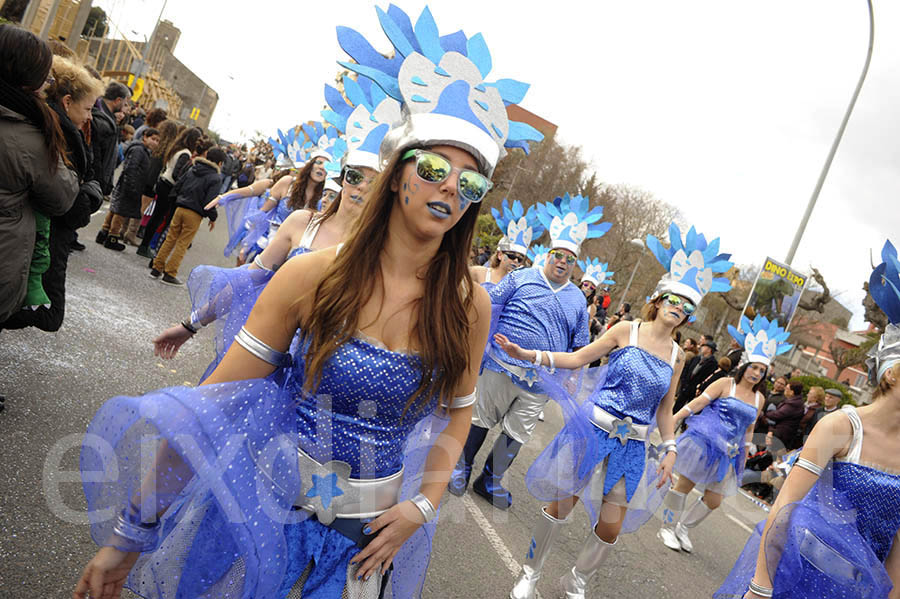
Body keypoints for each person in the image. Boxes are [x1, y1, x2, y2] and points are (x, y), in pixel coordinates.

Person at [72, 6, 543, 597]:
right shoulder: (311, 276)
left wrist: (422, 507)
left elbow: (457, 411)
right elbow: (209, 407)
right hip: (269, 512)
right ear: (398, 174)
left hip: (368, 540)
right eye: (434, 167)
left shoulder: (467, 306)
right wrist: (129, 536)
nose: (451, 186)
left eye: (470, 182)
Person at [503, 222, 732, 599]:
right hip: (594, 430)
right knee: (562, 505)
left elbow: (666, 408)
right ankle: (530, 573)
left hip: (632, 446)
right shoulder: (627, 330)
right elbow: (578, 358)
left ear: (690, 316)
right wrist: (530, 354)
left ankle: (576, 581)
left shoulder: (678, 356)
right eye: (674, 300)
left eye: (687, 306)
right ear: (658, 300)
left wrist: (671, 448)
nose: (679, 308)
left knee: (611, 526)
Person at [715, 239, 900, 599]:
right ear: (891, 374)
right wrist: (760, 585)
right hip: (797, 578)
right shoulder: (842, 427)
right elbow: (785, 505)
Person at [448, 193, 604, 510]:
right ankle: (460, 469)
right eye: (558, 254)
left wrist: (574, 377)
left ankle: (488, 481)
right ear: (548, 254)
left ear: (575, 265)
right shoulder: (521, 277)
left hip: (541, 380)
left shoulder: (577, 300)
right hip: (500, 365)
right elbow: (489, 307)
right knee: (480, 419)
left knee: (517, 433)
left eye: (569, 258)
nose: (562, 261)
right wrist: (477, 346)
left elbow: (580, 345)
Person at [658, 316, 791, 554]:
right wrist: (675, 417)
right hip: (704, 442)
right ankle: (666, 526)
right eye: (754, 367)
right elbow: (699, 402)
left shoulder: (760, 398)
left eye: (762, 370)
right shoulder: (725, 384)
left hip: (728, 451)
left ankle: (683, 527)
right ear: (745, 366)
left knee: (714, 499)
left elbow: (748, 428)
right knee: (684, 486)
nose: (757, 373)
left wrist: (744, 453)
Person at [2, 54, 103, 332]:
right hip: (36, 238)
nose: (90, 117)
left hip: (33, 237)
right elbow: (64, 199)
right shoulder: (51, 130)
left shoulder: (53, 126)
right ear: (67, 102)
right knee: (44, 314)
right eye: (88, 108)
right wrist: (91, 194)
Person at [0, 25, 79, 325]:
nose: (47, 86)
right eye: (45, 78)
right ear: (28, 79)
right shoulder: (29, 138)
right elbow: (62, 197)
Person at [150, 146, 225, 285]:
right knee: (182, 243)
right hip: (194, 213)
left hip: (180, 207)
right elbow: (210, 201)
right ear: (220, 163)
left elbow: (178, 186)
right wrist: (213, 217)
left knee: (170, 238)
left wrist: (176, 203)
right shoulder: (215, 177)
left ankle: (156, 267)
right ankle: (170, 273)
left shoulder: (193, 168)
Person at [136, 126, 203, 258]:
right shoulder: (185, 153)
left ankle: (144, 245)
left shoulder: (176, 148)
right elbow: (177, 173)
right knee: (159, 218)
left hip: (163, 182)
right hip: (169, 186)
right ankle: (145, 246)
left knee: (156, 216)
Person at [99, 127, 159, 250]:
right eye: (153, 139)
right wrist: (132, 187)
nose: (155, 143)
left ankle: (103, 232)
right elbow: (131, 169)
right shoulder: (138, 150)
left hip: (130, 185)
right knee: (120, 212)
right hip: (129, 186)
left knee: (115, 209)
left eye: (158, 141)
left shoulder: (143, 150)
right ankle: (112, 237)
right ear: (145, 137)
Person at [471, 199, 542, 291]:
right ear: (500, 255)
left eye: (520, 258)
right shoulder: (478, 272)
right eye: (512, 256)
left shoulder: (517, 287)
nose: (516, 260)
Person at [90, 81, 129, 197]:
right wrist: (102, 183)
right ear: (117, 101)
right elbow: (99, 158)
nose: (125, 108)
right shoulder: (105, 123)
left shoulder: (105, 117)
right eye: (125, 103)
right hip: (95, 182)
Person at [676, 338, 718, 411]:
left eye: (704, 346)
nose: (701, 348)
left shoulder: (713, 364)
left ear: (709, 349)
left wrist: (700, 388)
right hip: (686, 386)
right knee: (676, 407)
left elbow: (708, 378)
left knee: (690, 411)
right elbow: (686, 369)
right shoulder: (696, 358)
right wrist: (684, 381)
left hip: (696, 390)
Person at [765, 378, 805, 450]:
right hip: (780, 432)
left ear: (792, 392)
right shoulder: (793, 401)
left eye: (787, 388)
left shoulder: (793, 404)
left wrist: (767, 412)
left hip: (781, 434)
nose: (784, 390)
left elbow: (777, 415)